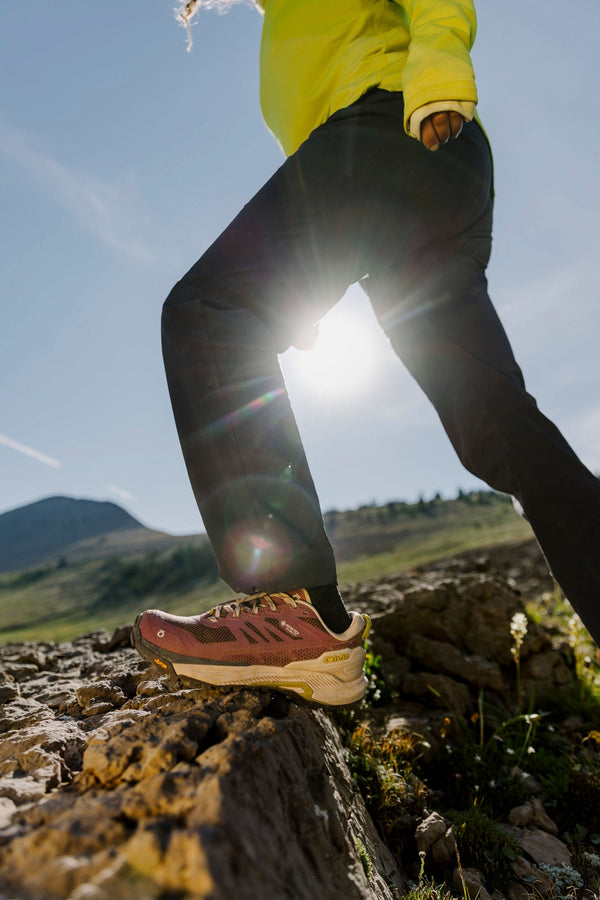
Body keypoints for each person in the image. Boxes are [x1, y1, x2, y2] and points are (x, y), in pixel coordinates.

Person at [132, 0, 600, 706]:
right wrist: (298, 291)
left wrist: (440, 77)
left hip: (399, 127)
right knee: (498, 428)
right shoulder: (280, 19)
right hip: (411, 180)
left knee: (209, 312)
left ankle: (294, 610)